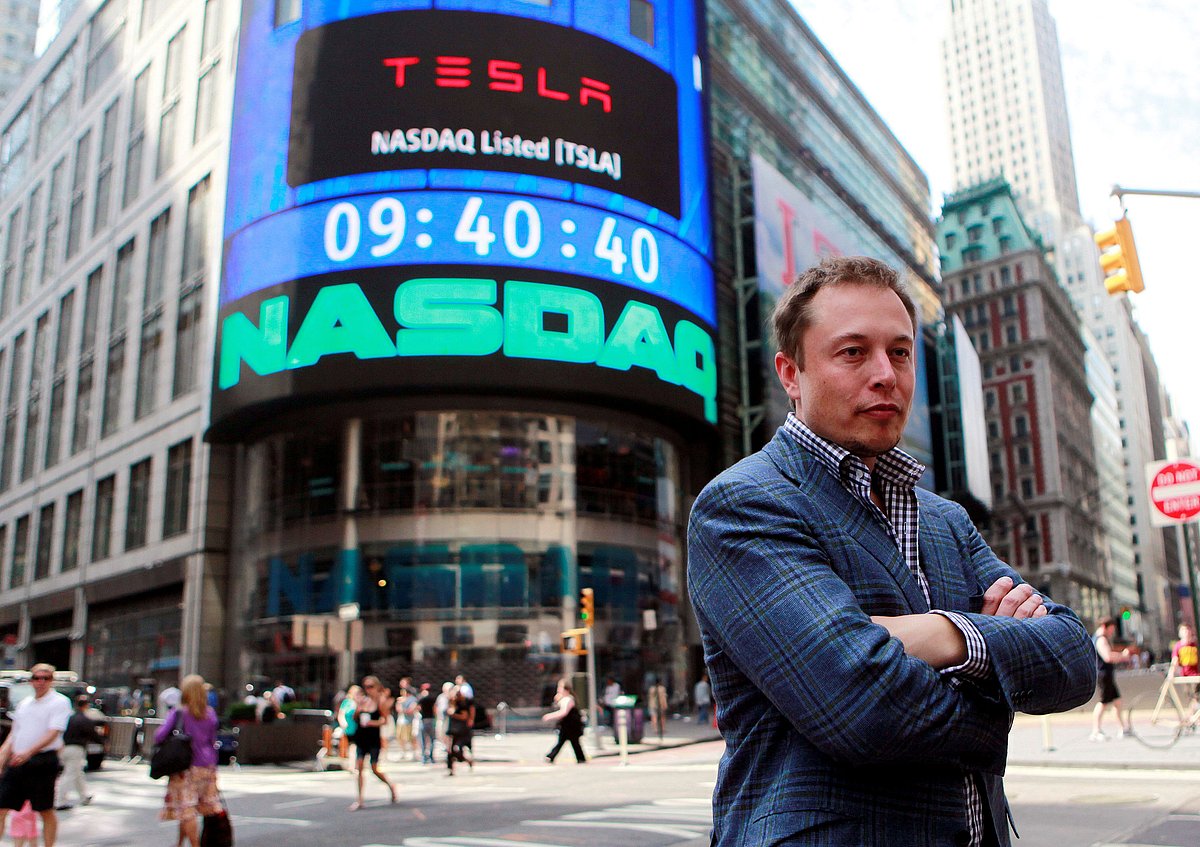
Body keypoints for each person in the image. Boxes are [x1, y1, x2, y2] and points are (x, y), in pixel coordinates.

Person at [687, 256, 1097, 846]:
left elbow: (1074, 657)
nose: (885, 374)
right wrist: (998, 695)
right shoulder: (745, 504)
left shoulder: (946, 520)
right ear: (790, 373)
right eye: (852, 352)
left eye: (900, 352)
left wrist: (941, 635)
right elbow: (861, 710)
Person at [0, 664, 72, 847]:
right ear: (31, 680)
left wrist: (29, 752)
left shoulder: (59, 702)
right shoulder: (25, 704)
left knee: (45, 809)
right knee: (2, 806)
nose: (41, 682)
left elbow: (54, 732)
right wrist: (2, 756)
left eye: (45, 678)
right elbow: (14, 733)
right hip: (17, 761)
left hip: (42, 761)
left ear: (51, 680)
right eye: (37, 678)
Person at [155, 674, 220, 847]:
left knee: (186, 810)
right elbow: (213, 740)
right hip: (207, 766)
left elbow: (159, 736)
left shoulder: (179, 712)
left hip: (186, 767)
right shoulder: (210, 713)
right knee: (192, 808)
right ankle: (179, 844)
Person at [349, 676, 397, 810]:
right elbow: (355, 717)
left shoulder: (381, 702)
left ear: (377, 687)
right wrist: (357, 710)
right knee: (359, 767)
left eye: (371, 686)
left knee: (374, 768)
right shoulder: (363, 701)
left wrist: (372, 723)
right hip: (361, 737)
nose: (368, 690)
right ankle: (359, 799)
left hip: (373, 738)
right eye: (366, 687)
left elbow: (385, 720)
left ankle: (390, 786)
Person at [1091, 616, 1134, 741]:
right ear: (1105, 627)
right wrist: (1123, 656)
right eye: (1111, 629)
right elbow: (1108, 657)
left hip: (1106, 674)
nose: (1112, 632)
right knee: (1103, 702)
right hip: (1103, 674)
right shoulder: (1101, 640)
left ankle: (1123, 728)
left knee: (1117, 701)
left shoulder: (1099, 638)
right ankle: (1096, 731)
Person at [55, 696, 99, 810]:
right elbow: (93, 734)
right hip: (76, 748)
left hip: (63, 747)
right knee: (69, 774)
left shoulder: (68, 718)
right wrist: (103, 742)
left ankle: (84, 796)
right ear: (86, 705)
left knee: (77, 772)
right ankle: (60, 800)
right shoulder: (85, 720)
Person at [542, 679, 586, 763]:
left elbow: (563, 712)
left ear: (566, 689)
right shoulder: (564, 699)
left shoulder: (568, 699)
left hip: (570, 726)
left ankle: (551, 756)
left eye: (560, 687)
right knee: (571, 742)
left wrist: (550, 716)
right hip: (568, 726)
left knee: (567, 742)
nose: (558, 690)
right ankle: (580, 758)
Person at [445, 689, 475, 775]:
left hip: (460, 730)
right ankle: (450, 769)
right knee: (449, 750)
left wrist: (454, 714)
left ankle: (466, 760)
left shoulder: (462, 704)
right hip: (451, 729)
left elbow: (464, 716)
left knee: (457, 749)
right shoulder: (450, 703)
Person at [416, 683, 438, 764]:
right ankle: (431, 756)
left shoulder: (420, 698)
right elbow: (435, 709)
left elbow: (418, 708)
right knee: (432, 739)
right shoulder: (433, 698)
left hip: (423, 720)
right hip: (431, 719)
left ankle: (424, 757)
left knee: (423, 740)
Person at [646, 676, 669, 741]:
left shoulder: (651, 689)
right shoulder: (662, 688)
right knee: (662, 717)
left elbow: (650, 697)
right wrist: (665, 705)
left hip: (652, 705)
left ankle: (655, 729)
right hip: (660, 705)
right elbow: (663, 697)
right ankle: (662, 728)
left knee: (654, 717)